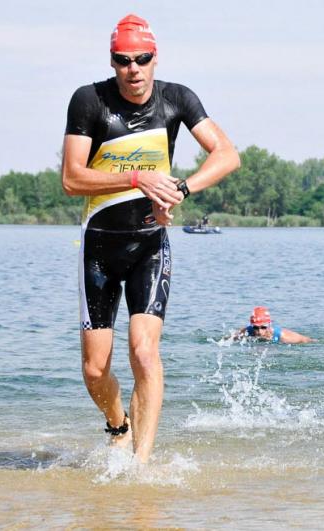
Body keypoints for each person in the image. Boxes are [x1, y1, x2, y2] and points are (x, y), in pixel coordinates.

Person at [61, 14, 241, 462]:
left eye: (142, 59)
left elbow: (227, 154)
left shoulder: (176, 99)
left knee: (144, 353)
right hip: (98, 248)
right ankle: (118, 424)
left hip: (149, 245)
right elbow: (72, 178)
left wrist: (181, 189)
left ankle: (140, 463)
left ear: (155, 58)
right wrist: (137, 177)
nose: (133, 69)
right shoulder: (89, 100)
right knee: (94, 370)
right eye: (123, 60)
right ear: (112, 61)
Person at [230, 306, 315, 344]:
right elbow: (229, 339)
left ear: (269, 325)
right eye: (256, 327)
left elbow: (306, 340)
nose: (259, 331)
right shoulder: (247, 331)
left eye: (263, 327)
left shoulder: (283, 336)